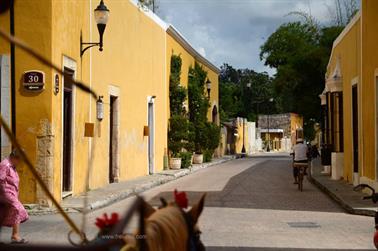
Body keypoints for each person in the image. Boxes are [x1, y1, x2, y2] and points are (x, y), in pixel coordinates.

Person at [0, 149, 29, 244]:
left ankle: (15, 235)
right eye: (20, 160)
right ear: (15, 158)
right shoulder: (5, 165)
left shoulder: (12, 166)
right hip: (5, 194)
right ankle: (15, 236)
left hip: (11, 194)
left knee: (4, 214)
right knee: (18, 208)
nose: (20, 163)